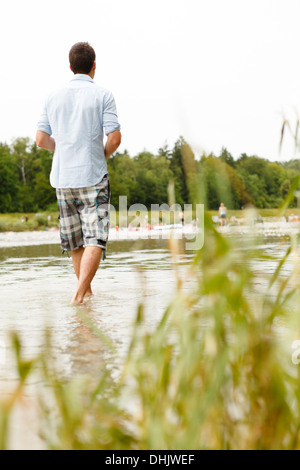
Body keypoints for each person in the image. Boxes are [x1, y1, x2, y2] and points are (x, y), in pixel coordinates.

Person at [36, 42, 121, 304]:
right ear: (94, 66)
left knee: (76, 242)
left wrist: (61, 149)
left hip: (63, 179)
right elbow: (115, 138)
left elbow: (41, 140)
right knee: (95, 238)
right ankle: (78, 296)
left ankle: (86, 298)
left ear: (71, 67)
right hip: (93, 176)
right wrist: (101, 155)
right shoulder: (103, 94)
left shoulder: (52, 96)